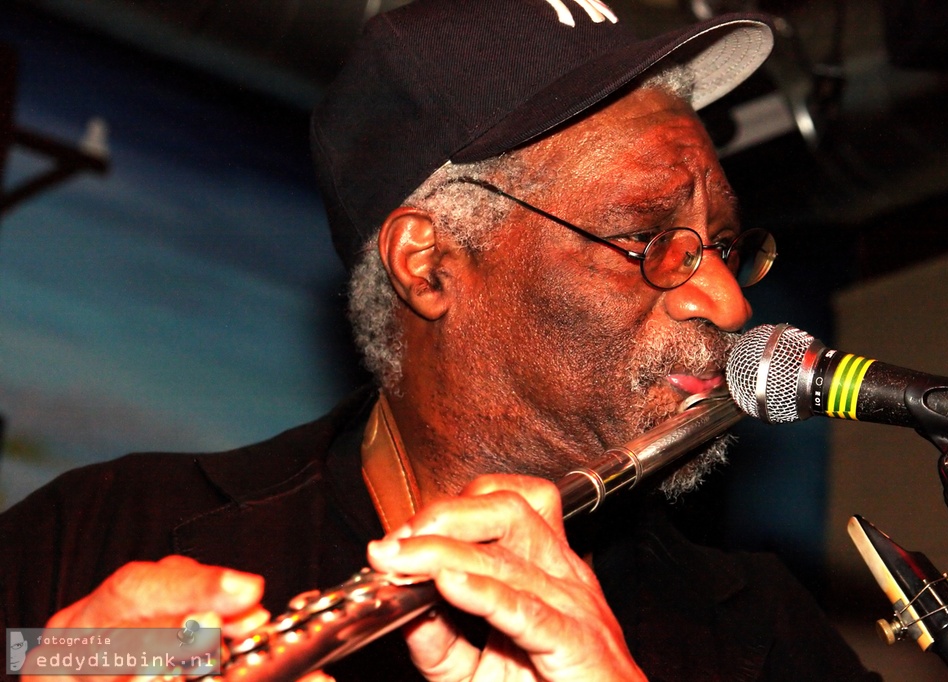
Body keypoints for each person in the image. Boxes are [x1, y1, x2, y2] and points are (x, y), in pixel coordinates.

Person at [0, 1, 881, 680]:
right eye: (648, 238)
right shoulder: (106, 534)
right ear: (429, 264)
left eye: (723, 245)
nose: (727, 302)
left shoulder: (761, 636)